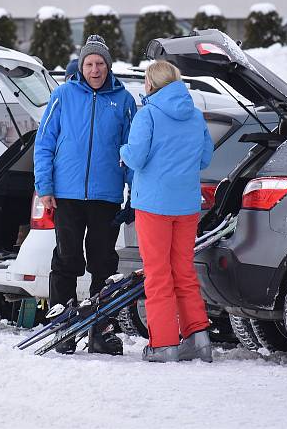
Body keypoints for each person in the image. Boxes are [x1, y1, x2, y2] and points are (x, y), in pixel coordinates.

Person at [34, 34, 137, 355]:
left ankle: (101, 329)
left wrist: (135, 193)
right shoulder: (63, 95)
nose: (95, 69)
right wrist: (45, 186)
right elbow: (44, 142)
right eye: (89, 63)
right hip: (66, 193)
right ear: (81, 66)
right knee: (67, 258)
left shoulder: (123, 101)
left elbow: (131, 151)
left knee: (104, 263)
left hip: (106, 195)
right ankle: (62, 325)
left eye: (100, 63)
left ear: (108, 66)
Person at [119, 59, 214, 363]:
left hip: (154, 206)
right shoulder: (196, 116)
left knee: (158, 274)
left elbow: (135, 158)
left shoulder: (148, 115)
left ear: (150, 84)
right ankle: (198, 339)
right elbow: (205, 159)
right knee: (184, 272)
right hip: (186, 206)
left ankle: (163, 344)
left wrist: (122, 151)